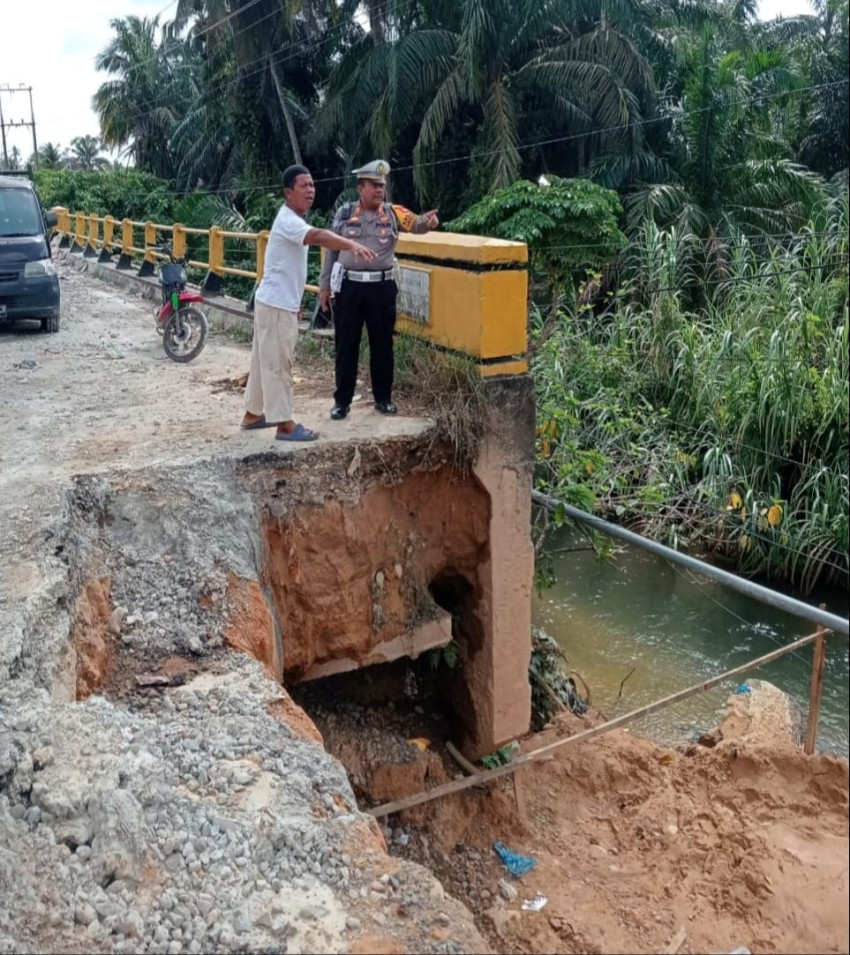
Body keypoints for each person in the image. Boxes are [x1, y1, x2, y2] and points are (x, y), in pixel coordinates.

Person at [241, 164, 376, 441]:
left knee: (263, 361)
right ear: (288, 192)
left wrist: (295, 301)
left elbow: (287, 267)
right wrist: (351, 244)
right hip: (276, 305)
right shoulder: (289, 221)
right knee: (279, 364)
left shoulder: (291, 220)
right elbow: (317, 236)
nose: (310, 190)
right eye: (304, 186)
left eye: (312, 185)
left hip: (275, 301)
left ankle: (253, 414)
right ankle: (284, 424)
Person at [318, 160, 439, 420]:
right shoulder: (344, 213)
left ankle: (383, 399)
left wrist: (429, 222)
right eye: (373, 185)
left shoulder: (394, 213)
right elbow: (331, 250)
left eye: (381, 186)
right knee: (346, 345)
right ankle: (342, 402)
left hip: (382, 287)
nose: (379, 190)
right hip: (349, 287)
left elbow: (417, 224)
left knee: (382, 345)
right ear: (360, 188)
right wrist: (324, 286)